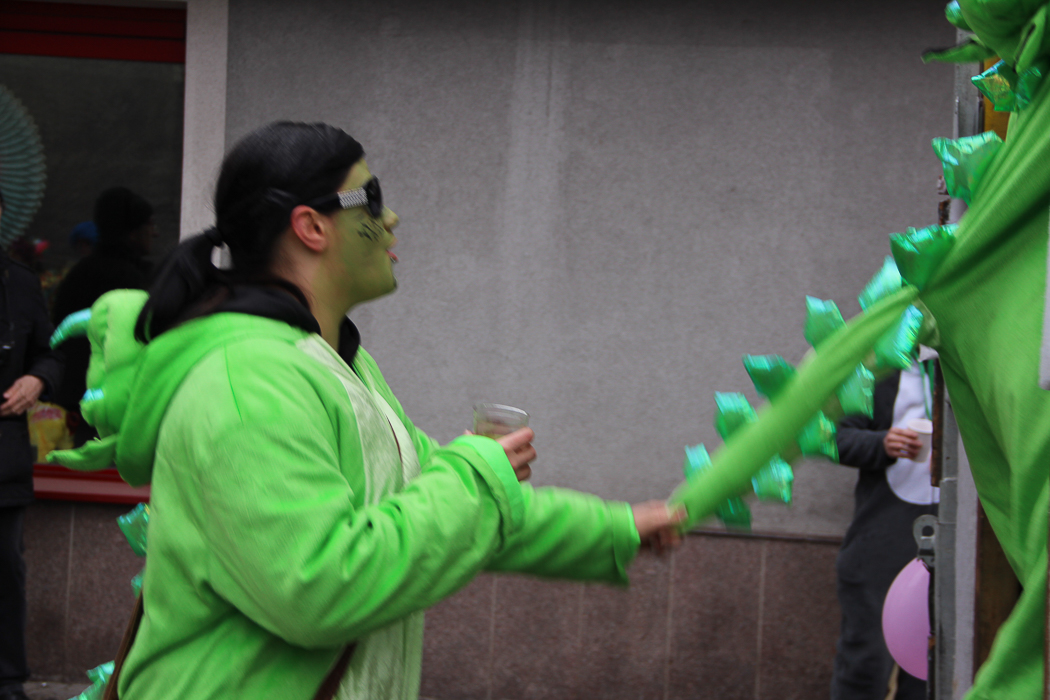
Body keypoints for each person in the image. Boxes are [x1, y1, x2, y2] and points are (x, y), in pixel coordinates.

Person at [52, 122, 683, 700]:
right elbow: (317, 588)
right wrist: (473, 475)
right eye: (371, 199)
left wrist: (618, 527)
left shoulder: (339, 365)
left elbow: (453, 512)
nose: (392, 217)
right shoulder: (247, 380)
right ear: (312, 227)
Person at [831, 356, 939, 700]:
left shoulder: (966, 368)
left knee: (930, 666)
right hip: (882, 533)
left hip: (954, 532)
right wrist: (882, 443)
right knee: (866, 656)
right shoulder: (875, 371)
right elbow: (836, 437)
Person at [0, 188, 64, 700]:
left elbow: (50, 353)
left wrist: (37, 379)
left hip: (4, 457)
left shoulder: (20, 283)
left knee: (6, 570)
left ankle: (7, 678)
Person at [51, 188, 154, 445]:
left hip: (80, 404)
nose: (155, 232)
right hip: (115, 406)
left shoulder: (80, 275)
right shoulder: (131, 279)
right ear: (132, 232)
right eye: (149, 224)